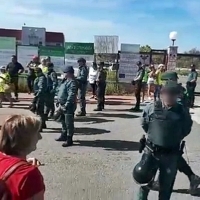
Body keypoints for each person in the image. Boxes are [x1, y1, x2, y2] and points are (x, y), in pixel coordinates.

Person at [133, 81, 193, 200]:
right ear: (162, 94)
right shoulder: (151, 108)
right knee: (144, 184)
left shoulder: (182, 112)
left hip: (170, 155)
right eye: (167, 93)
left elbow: (186, 129)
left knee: (166, 188)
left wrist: (171, 138)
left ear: (177, 95)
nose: (169, 96)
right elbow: (145, 124)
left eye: (173, 94)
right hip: (151, 153)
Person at [0, 114, 45, 199]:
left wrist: (22, 163)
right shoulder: (30, 175)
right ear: (25, 138)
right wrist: (24, 168)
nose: (40, 137)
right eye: (37, 133)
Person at [55, 66, 78, 147]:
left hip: (68, 106)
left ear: (69, 73)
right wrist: (58, 101)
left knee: (69, 123)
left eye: (65, 72)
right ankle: (63, 135)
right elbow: (60, 91)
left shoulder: (72, 82)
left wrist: (67, 104)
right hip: (62, 104)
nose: (64, 74)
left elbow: (71, 94)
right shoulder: (65, 81)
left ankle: (69, 139)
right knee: (63, 121)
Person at [32, 67, 47, 131]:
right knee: (40, 111)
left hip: (40, 96)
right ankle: (43, 124)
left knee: (39, 111)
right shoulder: (39, 78)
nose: (36, 74)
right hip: (39, 95)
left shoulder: (42, 78)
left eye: (36, 72)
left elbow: (41, 88)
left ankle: (40, 126)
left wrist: (36, 96)